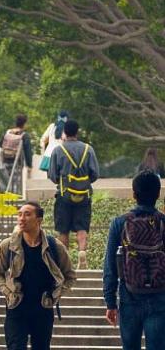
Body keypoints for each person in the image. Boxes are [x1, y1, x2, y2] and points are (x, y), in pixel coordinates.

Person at [0, 201, 76, 350]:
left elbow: (70, 276)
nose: (21, 218)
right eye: (19, 214)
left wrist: (56, 294)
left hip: (43, 308)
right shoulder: (8, 245)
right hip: (16, 307)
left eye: (27, 214)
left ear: (39, 220)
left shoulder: (55, 246)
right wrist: (8, 292)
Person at [103, 170, 165, 350]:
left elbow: (110, 266)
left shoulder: (119, 223)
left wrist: (110, 302)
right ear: (158, 194)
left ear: (133, 194)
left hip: (129, 297)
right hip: (160, 297)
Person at [48, 119, 99, 269]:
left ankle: (66, 260)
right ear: (77, 132)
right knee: (82, 227)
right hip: (84, 195)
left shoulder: (58, 150)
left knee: (63, 229)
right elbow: (95, 174)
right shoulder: (88, 149)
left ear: (65, 132)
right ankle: (82, 253)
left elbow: (52, 175)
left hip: (64, 195)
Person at [0, 114, 33, 193]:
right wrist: (29, 166)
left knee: (8, 182)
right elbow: (28, 152)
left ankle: (9, 197)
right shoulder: (24, 135)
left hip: (5, 161)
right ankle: (15, 200)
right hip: (17, 163)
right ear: (24, 124)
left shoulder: (8, 132)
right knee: (17, 184)